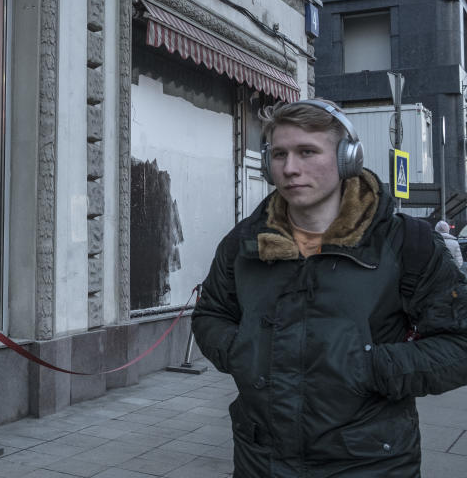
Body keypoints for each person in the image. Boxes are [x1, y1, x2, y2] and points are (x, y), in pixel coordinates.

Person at [192, 99, 467, 477]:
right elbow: (211, 315)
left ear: (347, 159)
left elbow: (458, 342)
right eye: (280, 154)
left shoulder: (405, 243)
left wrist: (370, 368)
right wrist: (244, 352)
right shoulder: (245, 242)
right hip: (261, 459)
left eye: (307, 152)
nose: (290, 168)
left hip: (368, 461)